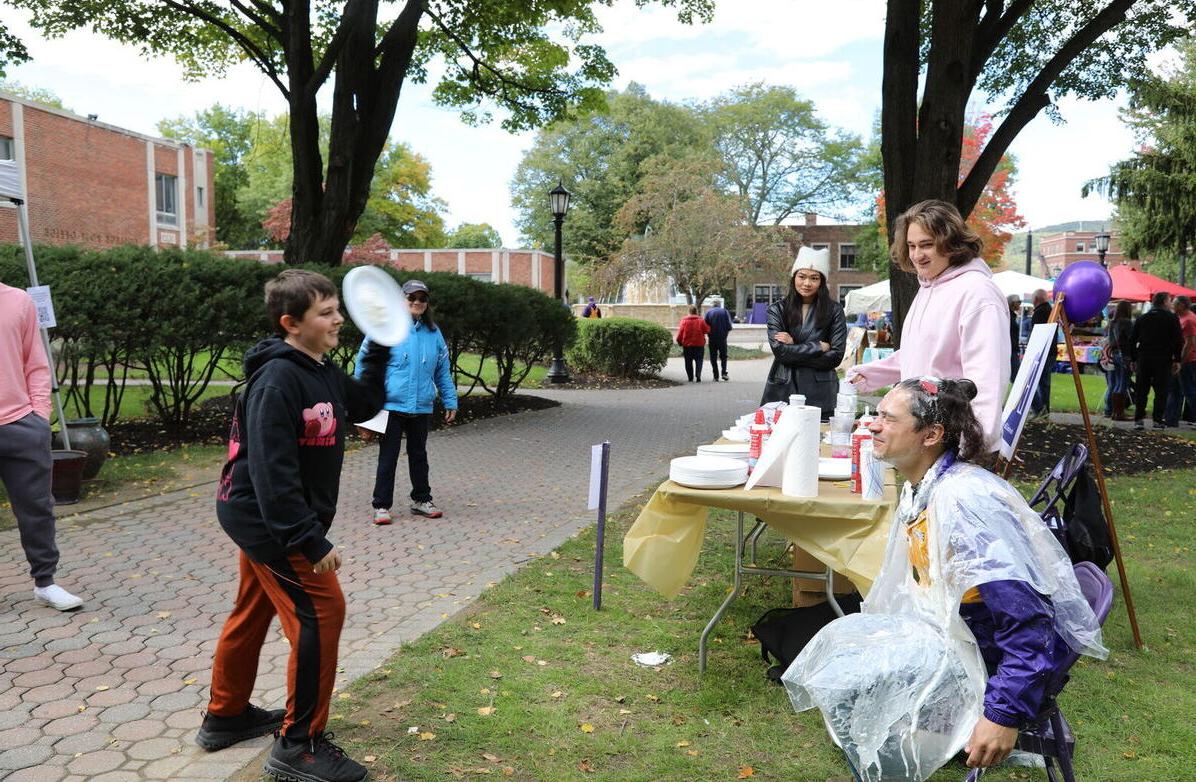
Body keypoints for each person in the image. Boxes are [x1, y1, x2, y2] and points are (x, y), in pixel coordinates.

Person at [782, 377, 1106, 781]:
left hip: (987, 657)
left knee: (855, 683)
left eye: (888, 418)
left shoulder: (966, 504)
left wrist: (1002, 714)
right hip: (955, 635)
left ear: (931, 434)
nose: (872, 425)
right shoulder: (926, 485)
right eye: (877, 415)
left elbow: (1029, 624)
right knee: (842, 658)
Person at [200, 269, 388, 782]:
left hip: (270, 518)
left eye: (336, 309)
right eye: (325, 313)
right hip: (267, 519)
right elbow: (269, 469)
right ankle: (298, 747)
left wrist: (381, 346)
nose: (338, 319)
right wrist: (307, 537)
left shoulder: (320, 368)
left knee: (254, 606)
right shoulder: (278, 379)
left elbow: (367, 405)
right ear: (291, 322)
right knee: (322, 612)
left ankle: (226, 715)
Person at [847, 200, 1010, 447]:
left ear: (951, 243)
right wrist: (870, 374)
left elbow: (987, 379)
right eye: (911, 246)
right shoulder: (928, 287)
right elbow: (919, 354)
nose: (916, 255)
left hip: (956, 442)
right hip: (925, 437)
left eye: (926, 245)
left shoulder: (978, 292)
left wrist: (975, 446)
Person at [0, 281, 84, 612]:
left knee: (37, 510)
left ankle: (45, 583)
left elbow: (35, 363)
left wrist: (39, 418)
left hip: (21, 424)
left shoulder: (18, 301)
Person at [357, 279, 458, 524]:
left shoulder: (434, 333)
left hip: (421, 406)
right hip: (390, 406)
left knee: (419, 455)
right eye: (412, 297)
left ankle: (422, 500)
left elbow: (442, 370)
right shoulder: (384, 329)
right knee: (388, 457)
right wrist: (362, 409)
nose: (417, 302)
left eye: (422, 298)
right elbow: (365, 368)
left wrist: (450, 400)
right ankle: (381, 505)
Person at [761, 246, 847, 418]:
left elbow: (836, 356)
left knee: (819, 440)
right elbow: (781, 352)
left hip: (820, 389)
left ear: (821, 282)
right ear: (794, 277)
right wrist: (818, 347)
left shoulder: (834, 310)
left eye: (814, 278)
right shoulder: (777, 309)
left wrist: (795, 348)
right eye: (802, 276)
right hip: (784, 386)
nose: (807, 283)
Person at [1129, 291, 1183, 430]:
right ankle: (1157, 420)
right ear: (1165, 302)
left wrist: (1134, 358)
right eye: (1170, 301)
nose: (1171, 303)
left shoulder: (1143, 318)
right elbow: (1178, 340)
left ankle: (1139, 419)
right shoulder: (1172, 318)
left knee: (1142, 389)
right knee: (1161, 390)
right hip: (1163, 358)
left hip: (1144, 357)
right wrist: (1177, 359)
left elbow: (1132, 339)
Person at [1164, 295, 1196, 429]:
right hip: (1181, 360)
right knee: (1174, 389)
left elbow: (1190, 343)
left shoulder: (1189, 320)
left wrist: (1180, 362)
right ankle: (1171, 419)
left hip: (1188, 361)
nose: (1172, 306)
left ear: (1182, 305)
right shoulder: (1180, 318)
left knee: (1189, 391)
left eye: (1174, 304)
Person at [1102, 300, 1134, 421]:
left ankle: (1114, 411)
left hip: (1114, 355)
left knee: (1115, 383)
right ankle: (1119, 413)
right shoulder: (1126, 322)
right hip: (1124, 355)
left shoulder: (1112, 323)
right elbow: (1130, 339)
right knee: (1122, 383)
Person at [1028, 289, 1055, 418]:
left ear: (1036, 299)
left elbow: (1036, 334)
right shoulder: (1050, 311)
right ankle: (1044, 409)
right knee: (1044, 382)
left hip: (1042, 352)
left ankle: (1042, 410)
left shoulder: (1039, 312)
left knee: (1040, 382)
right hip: (1050, 351)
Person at [675, 305, 710, 382]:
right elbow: (707, 330)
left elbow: (681, 332)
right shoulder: (701, 320)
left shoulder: (684, 320)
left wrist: (679, 341)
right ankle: (698, 375)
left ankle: (690, 377)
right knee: (699, 360)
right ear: (696, 311)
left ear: (689, 312)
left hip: (687, 345)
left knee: (688, 361)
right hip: (699, 344)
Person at [703, 297, 734, 381]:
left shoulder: (708, 312)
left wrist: (708, 333)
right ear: (720, 305)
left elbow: (705, 326)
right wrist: (725, 333)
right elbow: (729, 326)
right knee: (724, 356)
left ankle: (715, 376)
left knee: (713, 357)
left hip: (712, 338)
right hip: (722, 338)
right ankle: (724, 373)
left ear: (712, 305)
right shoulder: (724, 312)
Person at [1007, 295, 1021, 378]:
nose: (1020, 304)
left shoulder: (1011, 316)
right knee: (1016, 376)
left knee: (1015, 375)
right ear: (1013, 303)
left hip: (1012, 349)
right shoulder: (1009, 316)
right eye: (1019, 302)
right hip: (1011, 349)